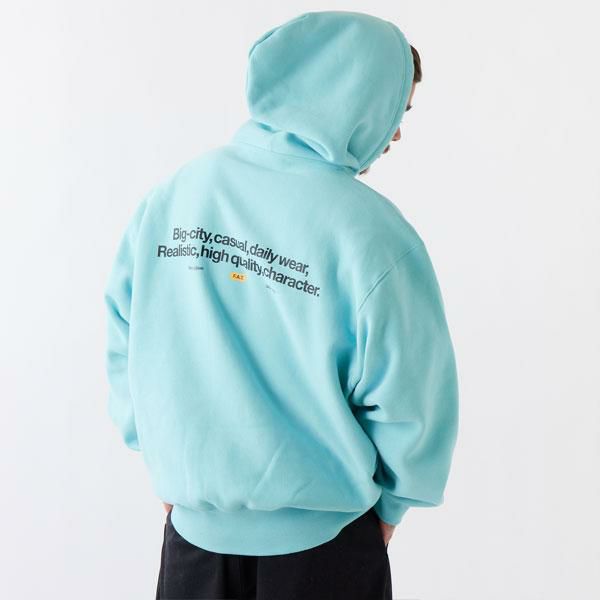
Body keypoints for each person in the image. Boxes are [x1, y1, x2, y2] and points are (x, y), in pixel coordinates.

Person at [104, 10, 459, 600]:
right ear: (355, 99)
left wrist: (160, 456)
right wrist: (392, 507)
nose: (395, 134)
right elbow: (412, 396)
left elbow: (125, 332)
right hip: (327, 551)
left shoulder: (174, 197)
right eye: (397, 110)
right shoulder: (374, 234)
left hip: (191, 544)